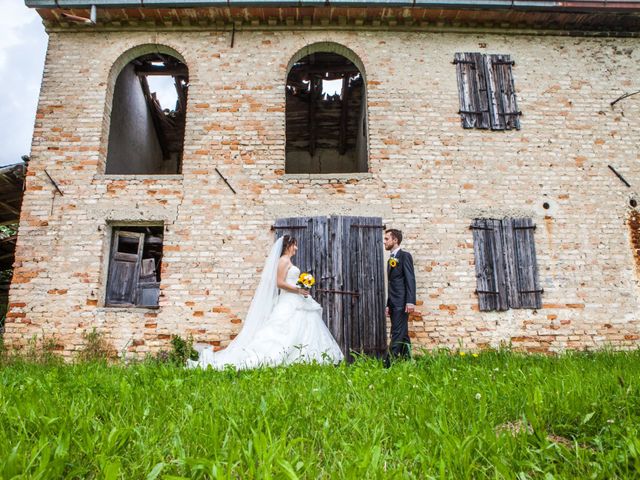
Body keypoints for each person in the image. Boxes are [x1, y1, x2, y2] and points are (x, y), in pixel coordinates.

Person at [188, 235, 344, 370]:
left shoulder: (287, 261)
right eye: (294, 245)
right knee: (284, 330)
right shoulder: (283, 261)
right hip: (289, 299)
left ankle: (305, 358)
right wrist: (298, 290)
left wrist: (302, 287)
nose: (296, 248)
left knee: (303, 327)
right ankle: (280, 358)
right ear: (288, 246)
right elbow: (280, 283)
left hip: (296, 299)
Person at [384, 228, 416, 360]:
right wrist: (388, 304)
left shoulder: (405, 256)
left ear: (395, 240)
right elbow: (392, 284)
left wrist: (410, 301)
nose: (384, 242)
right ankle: (408, 360)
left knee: (396, 332)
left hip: (402, 303)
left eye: (387, 239)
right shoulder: (390, 260)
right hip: (393, 302)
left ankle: (388, 363)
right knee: (403, 333)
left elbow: (410, 279)